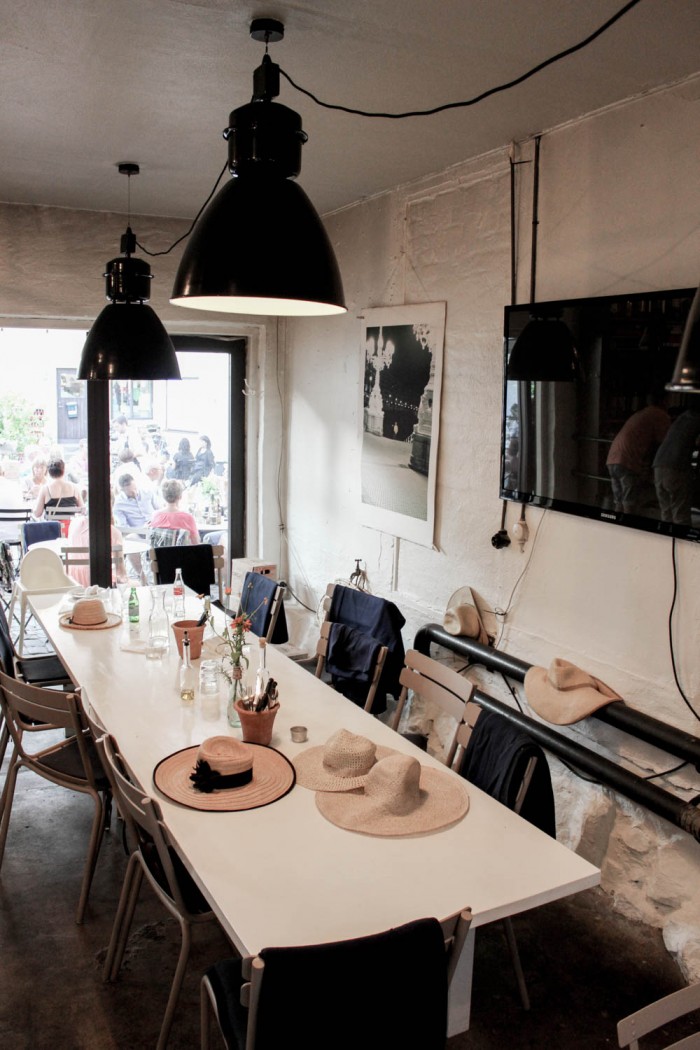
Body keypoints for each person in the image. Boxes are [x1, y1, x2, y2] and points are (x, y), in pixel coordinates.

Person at [605, 397, 671, 515]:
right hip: (628, 460)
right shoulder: (660, 415)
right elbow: (665, 443)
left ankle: (617, 525)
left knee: (619, 502)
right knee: (629, 503)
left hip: (612, 458)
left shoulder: (642, 413)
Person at [652, 408, 700, 525]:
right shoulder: (698, 420)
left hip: (658, 464)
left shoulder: (682, 418)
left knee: (666, 513)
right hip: (676, 467)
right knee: (680, 515)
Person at [66, 511, 127, 587]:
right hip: (101, 583)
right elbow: (121, 573)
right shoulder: (113, 531)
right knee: (135, 584)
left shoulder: (75, 523)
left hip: (73, 582)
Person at [150, 480, 200, 545]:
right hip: (180, 552)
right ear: (180, 496)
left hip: (158, 551)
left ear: (164, 496)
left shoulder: (155, 516)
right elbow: (196, 544)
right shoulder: (188, 518)